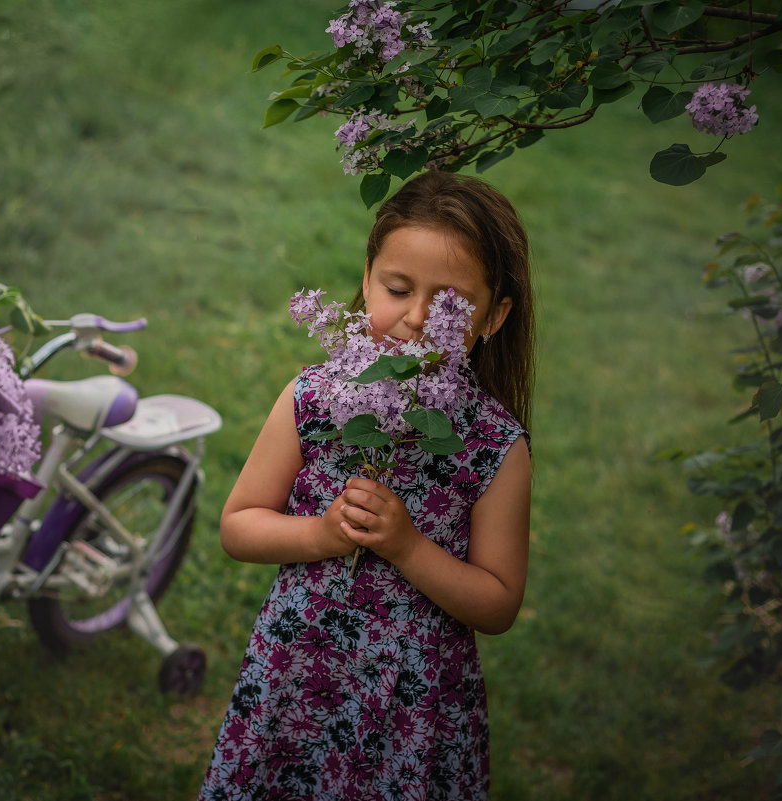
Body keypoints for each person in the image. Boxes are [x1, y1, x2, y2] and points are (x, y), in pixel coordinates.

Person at [199, 171, 534, 801]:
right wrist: (322, 533)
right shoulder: (316, 401)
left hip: (412, 702)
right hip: (296, 673)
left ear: (494, 316)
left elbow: (498, 603)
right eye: (398, 288)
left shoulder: (494, 446)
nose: (414, 319)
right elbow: (238, 524)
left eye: (449, 303)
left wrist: (408, 547)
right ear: (366, 278)